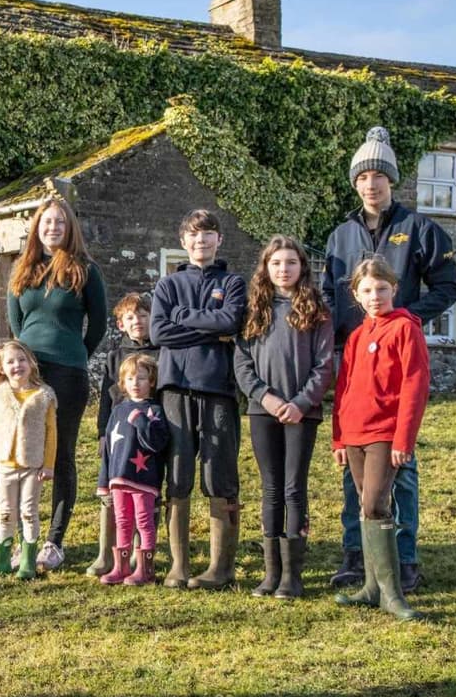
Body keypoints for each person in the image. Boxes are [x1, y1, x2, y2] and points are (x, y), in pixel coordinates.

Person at [323, 127, 456, 593]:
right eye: (363, 176)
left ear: (392, 181)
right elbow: (327, 295)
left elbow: (449, 286)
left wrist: (408, 317)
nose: (371, 184)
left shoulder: (419, 229)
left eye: (379, 175)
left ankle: (404, 559)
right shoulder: (339, 235)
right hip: (354, 356)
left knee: (399, 464)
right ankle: (356, 554)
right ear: (354, 183)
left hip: (399, 358)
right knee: (354, 464)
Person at [7, 195, 107, 571]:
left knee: (61, 454)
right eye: (47, 222)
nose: (53, 228)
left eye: (60, 223)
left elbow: (98, 325)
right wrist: (30, 361)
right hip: (28, 377)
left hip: (69, 374)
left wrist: (74, 353)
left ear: (69, 229)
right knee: (24, 456)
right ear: (37, 227)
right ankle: (24, 540)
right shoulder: (22, 268)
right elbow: (16, 324)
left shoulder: (84, 270)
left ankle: (54, 540)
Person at [149, 209, 247, 590]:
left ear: (218, 240)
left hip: (218, 388)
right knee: (178, 474)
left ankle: (221, 568)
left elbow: (230, 323)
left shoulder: (233, 282)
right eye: (194, 236)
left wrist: (183, 319)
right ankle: (179, 565)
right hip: (174, 387)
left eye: (208, 236)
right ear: (184, 241)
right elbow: (159, 332)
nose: (201, 242)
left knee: (219, 473)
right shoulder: (168, 286)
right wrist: (208, 325)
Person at [235, 235, 333, 600]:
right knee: (271, 488)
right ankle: (270, 572)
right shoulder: (254, 309)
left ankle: (293, 575)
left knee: (294, 488)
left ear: (302, 267)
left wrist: (301, 402)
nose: (283, 269)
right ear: (266, 268)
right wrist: (267, 397)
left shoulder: (316, 310)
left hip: (301, 414)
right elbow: (242, 364)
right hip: (263, 410)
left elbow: (325, 365)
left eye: (291, 263)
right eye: (276, 263)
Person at [332, 257, 429, 621]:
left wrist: (404, 438)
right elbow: (343, 389)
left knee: (376, 504)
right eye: (367, 291)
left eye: (382, 289)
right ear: (356, 294)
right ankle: (372, 587)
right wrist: (339, 439)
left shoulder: (406, 329)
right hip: (354, 433)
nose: (375, 297)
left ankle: (392, 593)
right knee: (363, 504)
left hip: (385, 433)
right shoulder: (357, 336)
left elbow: (415, 385)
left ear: (394, 289)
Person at [88, 292, 159, 577]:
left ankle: (142, 559)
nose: (138, 321)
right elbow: (107, 398)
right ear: (121, 324)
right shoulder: (114, 357)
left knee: (145, 496)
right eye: (131, 317)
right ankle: (110, 556)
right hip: (118, 438)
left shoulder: (162, 352)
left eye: (143, 315)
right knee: (113, 492)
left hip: (147, 438)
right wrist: (102, 433)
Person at [0, 340, 56, 581]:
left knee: (29, 512)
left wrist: (48, 464)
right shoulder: (0, 394)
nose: (17, 365)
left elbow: (52, 432)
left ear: (31, 363)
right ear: (1, 367)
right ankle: (0, 561)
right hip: (5, 467)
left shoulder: (43, 396)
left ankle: (27, 562)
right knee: (5, 512)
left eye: (21, 360)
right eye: (10, 361)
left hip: (32, 467)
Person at [96, 354, 169, 585]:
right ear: (122, 382)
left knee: (144, 521)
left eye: (141, 378)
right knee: (122, 521)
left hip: (144, 479)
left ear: (152, 381)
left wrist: (140, 421)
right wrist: (104, 481)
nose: (135, 383)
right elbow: (108, 447)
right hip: (118, 478)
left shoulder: (154, 410)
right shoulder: (117, 411)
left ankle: (145, 569)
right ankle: (121, 566)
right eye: (130, 378)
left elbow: (157, 443)